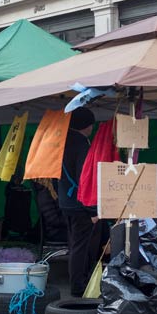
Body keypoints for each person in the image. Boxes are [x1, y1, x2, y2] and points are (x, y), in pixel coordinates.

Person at [59, 107, 102, 297]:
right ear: (88, 125)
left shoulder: (62, 141)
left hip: (66, 201)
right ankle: (78, 286)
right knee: (81, 246)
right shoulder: (82, 145)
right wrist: (93, 210)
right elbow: (84, 178)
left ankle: (78, 282)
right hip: (80, 204)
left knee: (74, 243)